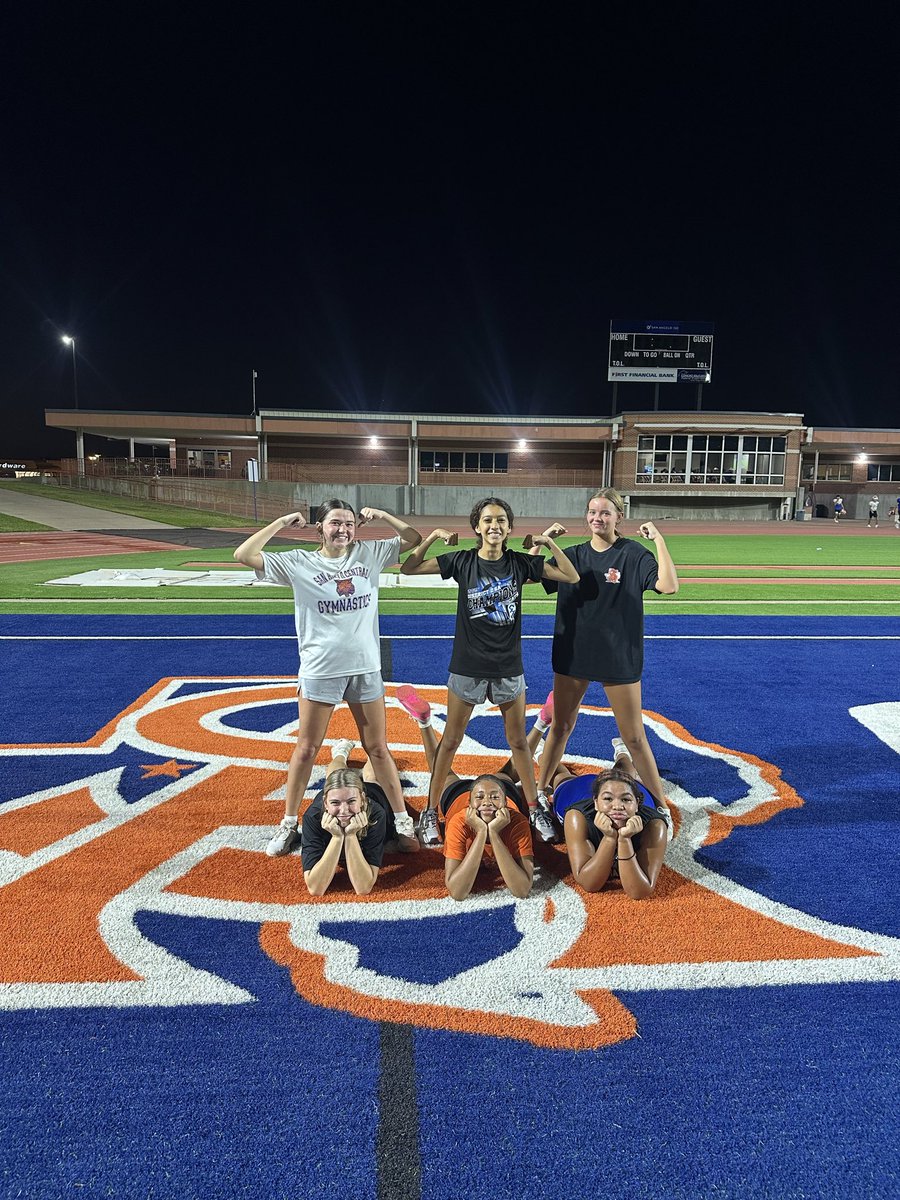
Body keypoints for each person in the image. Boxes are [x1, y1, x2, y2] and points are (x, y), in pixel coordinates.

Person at [233, 499, 421, 855]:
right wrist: (281, 522)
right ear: (320, 527)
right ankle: (288, 823)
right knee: (306, 748)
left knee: (378, 748)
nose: (343, 530)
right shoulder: (299, 562)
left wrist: (382, 515)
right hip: (321, 669)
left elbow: (413, 539)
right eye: (335, 523)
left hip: (365, 667)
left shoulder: (368, 553)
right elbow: (244, 554)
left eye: (349, 523)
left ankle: (402, 820)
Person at [399, 497, 579, 848]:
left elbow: (570, 576)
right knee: (451, 740)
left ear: (509, 528)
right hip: (467, 665)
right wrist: (433, 536)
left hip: (508, 666)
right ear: (477, 527)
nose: (494, 526)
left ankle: (535, 808)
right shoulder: (462, 560)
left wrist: (547, 542)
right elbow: (409, 568)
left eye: (500, 520)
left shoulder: (520, 563)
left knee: (518, 741)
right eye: (487, 520)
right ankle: (430, 812)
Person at [531, 488, 679, 813]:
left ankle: (660, 806)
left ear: (618, 517)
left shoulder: (633, 554)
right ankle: (539, 793)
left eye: (605, 513)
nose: (597, 518)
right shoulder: (572, 555)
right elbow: (528, 574)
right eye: (592, 512)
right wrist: (544, 540)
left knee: (634, 736)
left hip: (618, 656)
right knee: (561, 727)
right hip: (574, 653)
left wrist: (658, 540)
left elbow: (668, 586)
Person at [393, 686, 536, 899]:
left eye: (494, 798)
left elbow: (522, 890)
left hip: (492, 789)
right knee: (441, 771)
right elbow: (457, 892)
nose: (487, 802)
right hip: (462, 795)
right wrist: (481, 834)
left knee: (445, 771)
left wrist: (493, 834)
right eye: (480, 798)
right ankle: (424, 722)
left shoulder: (516, 822)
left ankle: (542, 724)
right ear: (470, 804)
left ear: (505, 803)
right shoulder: (460, 822)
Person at [556, 741, 668, 898]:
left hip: (633, 791)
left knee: (624, 775)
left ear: (637, 803)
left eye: (626, 800)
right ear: (596, 802)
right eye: (608, 799)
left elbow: (639, 891)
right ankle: (541, 754)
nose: (617, 806)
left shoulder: (655, 825)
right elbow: (589, 883)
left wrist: (624, 840)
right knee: (561, 777)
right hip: (577, 791)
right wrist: (609, 838)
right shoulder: (577, 816)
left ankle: (623, 752)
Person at [300, 741, 403, 896]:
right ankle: (340, 753)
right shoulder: (312, 817)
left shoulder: (376, 814)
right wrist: (337, 837)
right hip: (343, 793)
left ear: (362, 799)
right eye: (335, 803)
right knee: (335, 777)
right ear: (325, 803)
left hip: (375, 795)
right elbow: (315, 889)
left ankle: (372, 752)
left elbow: (363, 888)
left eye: (351, 802)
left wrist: (350, 835)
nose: (343, 811)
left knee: (372, 778)